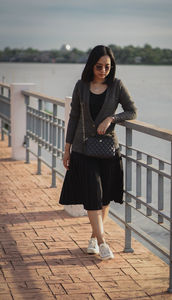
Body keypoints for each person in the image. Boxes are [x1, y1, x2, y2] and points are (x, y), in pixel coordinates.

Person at [59, 45, 137, 260]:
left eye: (107, 67)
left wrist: (112, 118)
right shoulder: (81, 86)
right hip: (83, 150)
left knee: (104, 198)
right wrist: (67, 150)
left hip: (108, 149)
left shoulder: (117, 86)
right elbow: (74, 117)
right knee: (92, 194)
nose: (103, 71)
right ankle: (103, 243)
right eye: (99, 66)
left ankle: (94, 238)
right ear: (91, 65)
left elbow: (132, 111)